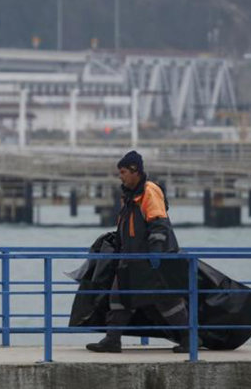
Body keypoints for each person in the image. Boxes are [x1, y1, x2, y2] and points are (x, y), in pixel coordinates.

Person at [85, 150, 193, 353]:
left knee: (168, 301)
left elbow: (159, 223)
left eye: (123, 171)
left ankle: (189, 340)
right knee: (119, 297)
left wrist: (156, 253)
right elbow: (125, 227)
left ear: (135, 170)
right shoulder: (128, 195)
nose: (120, 176)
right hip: (132, 259)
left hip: (155, 259)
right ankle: (112, 340)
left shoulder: (149, 191)